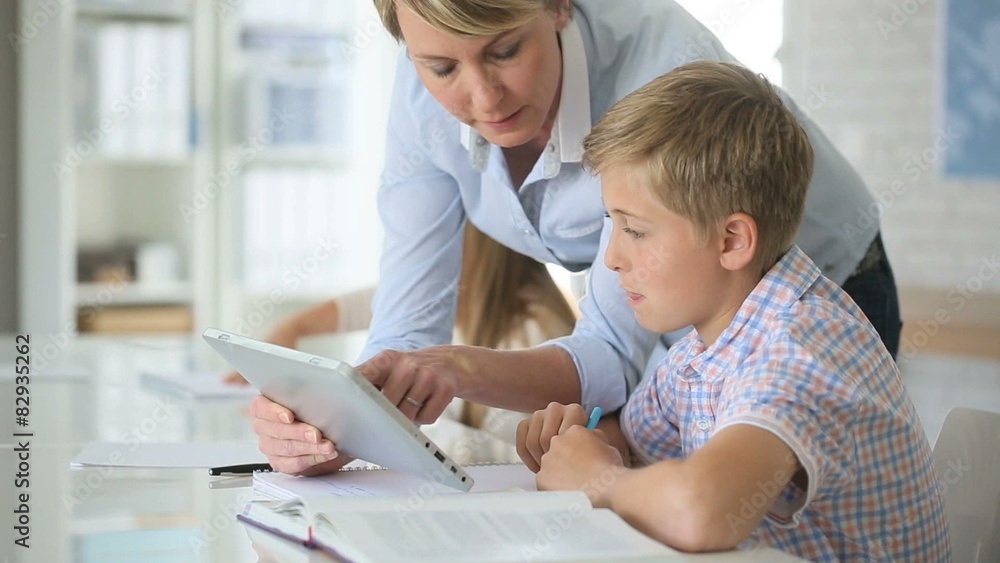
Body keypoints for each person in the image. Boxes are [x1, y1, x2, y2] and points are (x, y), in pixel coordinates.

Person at [249, 0, 902, 476]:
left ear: (560, 5)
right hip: (678, 312)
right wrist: (338, 423)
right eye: (441, 67)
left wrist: (457, 370)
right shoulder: (423, 78)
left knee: (766, 518)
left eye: (505, 51)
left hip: (811, 288)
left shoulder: (664, 74)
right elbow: (405, 329)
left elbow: (614, 357)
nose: (482, 97)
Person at [515, 61, 949, 560]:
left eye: (634, 230)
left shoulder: (803, 345)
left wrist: (599, 478)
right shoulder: (701, 352)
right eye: (612, 225)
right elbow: (631, 441)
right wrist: (575, 438)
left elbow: (701, 512)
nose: (612, 258)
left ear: (732, 241)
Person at [229, 223, 577, 440]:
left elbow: (513, 456)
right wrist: (293, 328)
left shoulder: (533, 331)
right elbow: (385, 301)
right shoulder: (460, 304)